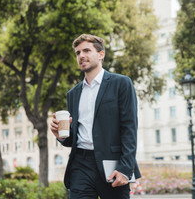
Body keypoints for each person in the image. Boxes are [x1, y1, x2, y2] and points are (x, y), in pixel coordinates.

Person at [50, 34, 141, 198]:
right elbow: (75, 137)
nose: (81, 56)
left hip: (112, 164)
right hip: (80, 164)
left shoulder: (121, 84)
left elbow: (129, 128)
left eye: (86, 50)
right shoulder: (73, 94)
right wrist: (62, 137)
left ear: (101, 54)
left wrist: (126, 169)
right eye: (78, 53)